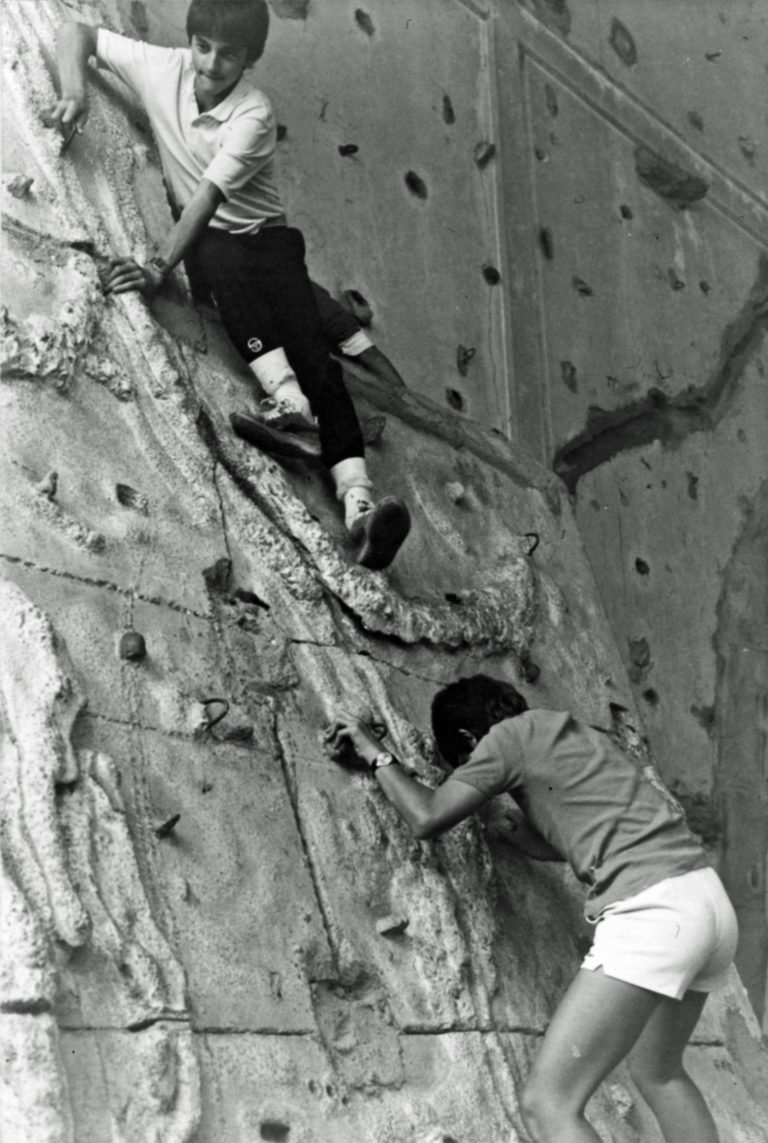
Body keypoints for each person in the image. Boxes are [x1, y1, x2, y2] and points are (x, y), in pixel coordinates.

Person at [49, 0, 410, 570]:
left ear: (252, 58)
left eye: (231, 54)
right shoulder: (164, 67)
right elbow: (76, 32)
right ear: (191, 40)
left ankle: (361, 509)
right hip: (217, 254)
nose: (212, 64)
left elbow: (206, 201)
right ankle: (288, 404)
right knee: (216, 254)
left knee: (319, 363)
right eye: (203, 46)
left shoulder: (254, 114)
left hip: (268, 245)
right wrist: (75, 92)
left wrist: (156, 269)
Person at [326, 675, 738, 1143]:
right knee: (660, 1074)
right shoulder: (571, 734)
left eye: (465, 763)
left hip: (654, 912)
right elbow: (573, 841)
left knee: (547, 1106)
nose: (476, 772)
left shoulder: (504, 739)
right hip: (706, 903)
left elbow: (427, 816)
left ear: (467, 740)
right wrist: (511, 830)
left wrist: (376, 754)